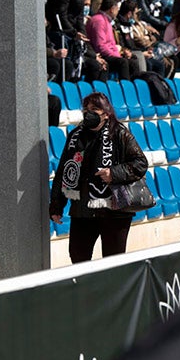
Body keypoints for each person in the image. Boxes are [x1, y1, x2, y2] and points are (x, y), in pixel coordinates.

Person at [49, 92, 148, 263]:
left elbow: (140, 163)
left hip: (114, 210)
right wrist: (57, 206)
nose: (89, 113)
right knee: (78, 256)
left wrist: (114, 173)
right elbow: (64, 170)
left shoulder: (119, 134)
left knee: (112, 262)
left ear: (106, 112)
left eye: (95, 109)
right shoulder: (75, 135)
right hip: (83, 209)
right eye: (85, 109)